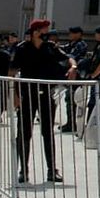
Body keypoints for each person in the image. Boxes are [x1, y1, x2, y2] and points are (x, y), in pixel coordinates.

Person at [10, 18, 76, 183]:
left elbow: (68, 58)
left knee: (48, 133)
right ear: (36, 31)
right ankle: (23, 171)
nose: (48, 33)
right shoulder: (22, 49)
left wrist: (73, 67)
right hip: (27, 94)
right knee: (24, 133)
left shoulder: (50, 47)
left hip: (46, 93)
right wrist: (14, 96)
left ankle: (52, 170)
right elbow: (11, 72)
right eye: (45, 30)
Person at [59, 26, 90, 133]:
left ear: (79, 34)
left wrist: (67, 57)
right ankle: (70, 122)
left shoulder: (81, 45)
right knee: (69, 99)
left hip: (77, 75)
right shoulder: (71, 44)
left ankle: (75, 124)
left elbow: (72, 56)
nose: (70, 35)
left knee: (75, 100)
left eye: (73, 33)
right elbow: (64, 50)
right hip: (70, 76)